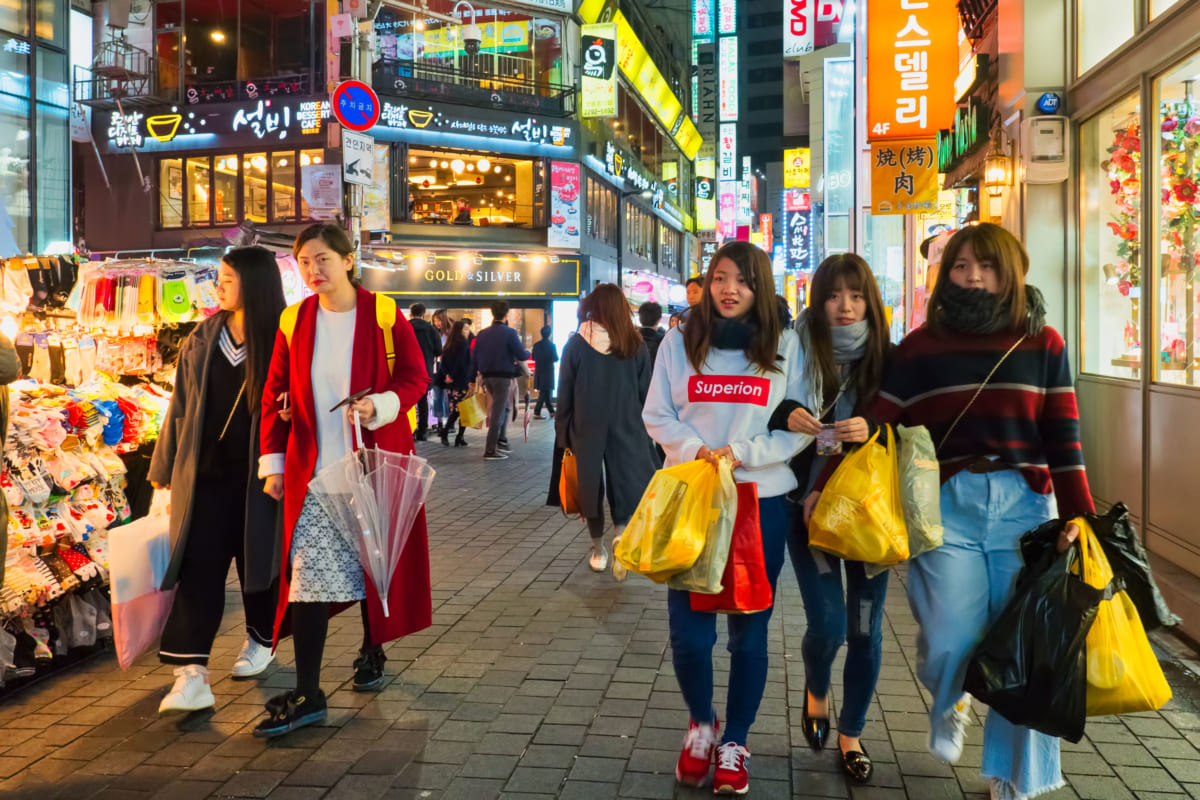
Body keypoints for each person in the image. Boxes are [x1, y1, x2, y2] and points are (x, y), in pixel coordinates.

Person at [807, 223, 1092, 800]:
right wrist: (826, 483)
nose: (973, 277)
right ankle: (951, 697)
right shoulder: (921, 346)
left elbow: (1064, 435)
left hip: (1025, 509)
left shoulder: (1043, 344)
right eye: (960, 267)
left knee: (1023, 650)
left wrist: (1079, 516)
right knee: (946, 637)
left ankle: (1016, 782)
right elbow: (879, 419)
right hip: (946, 506)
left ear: (1010, 270)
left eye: (985, 266)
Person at [255, 223, 433, 738]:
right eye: (305, 262)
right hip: (314, 472)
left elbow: (415, 377)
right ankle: (310, 692)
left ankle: (371, 649)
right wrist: (273, 465)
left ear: (349, 260)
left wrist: (378, 404)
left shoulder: (382, 313)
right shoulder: (295, 319)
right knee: (309, 580)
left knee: (374, 571)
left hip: (374, 464)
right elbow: (274, 393)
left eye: (323, 259)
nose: (314, 270)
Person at [643, 241, 805, 795]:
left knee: (748, 636)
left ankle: (735, 738)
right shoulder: (680, 340)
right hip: (693, 498)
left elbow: (796, 423)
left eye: (741, 280)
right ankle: (701, 724)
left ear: (760, 286)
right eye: (719, 278)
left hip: (761, 504)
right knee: (689, 637)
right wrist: (696, 453)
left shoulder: (786, 344)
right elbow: (656, 412)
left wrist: (741, 454)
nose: (728, 289)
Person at [767, 254, 892, 783]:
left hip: (867, 513)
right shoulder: (792, 349)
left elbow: (913, 424)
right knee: (827, 625)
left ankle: (852, 734)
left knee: (865, 630)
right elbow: (763, 409)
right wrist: (782, 413)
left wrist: (875, 428)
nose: (845, 307)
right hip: (808, 510)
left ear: (870, 302)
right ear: (816, 301)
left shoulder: (889, 359)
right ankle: (817, 688)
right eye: (833, 295)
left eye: (856, 296)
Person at [149, 246, 285, 713]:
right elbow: (179, 409)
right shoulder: (205, 336)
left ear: (254, 282)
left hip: (264, 479)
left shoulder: (286, 335)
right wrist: (162, 473)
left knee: (259, 565)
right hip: (203, 476)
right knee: (198, 570)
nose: (219, 286)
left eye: (227, 278)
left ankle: (261, 639)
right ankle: (190, 674)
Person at [557, 285, 659, 575]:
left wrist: (562, 433)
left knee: (590, 488)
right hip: (627, 423)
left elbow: (564, 393)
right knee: (623, 481)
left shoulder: (576, 344)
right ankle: (621, 535)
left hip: (585, 426)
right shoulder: (634, 344)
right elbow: (646, 393)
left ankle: (597, 550)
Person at [469, 300, 529, 461]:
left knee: (502, 408)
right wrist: (528, 352)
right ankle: (490, 449)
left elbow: (474, 359)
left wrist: (471, 379)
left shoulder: (482, 334)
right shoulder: (509, 333)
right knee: (498, 411)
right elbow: (521, 355)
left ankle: (501, 440)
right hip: (503, 377)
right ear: (506, 314)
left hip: (487, 376)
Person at [408, 303, 442, 441]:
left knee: (407, 401)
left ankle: (409, 430)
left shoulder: (405, 326)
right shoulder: (431, 329)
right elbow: (439, 351)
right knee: (423, 402)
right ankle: (422, 431)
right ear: (423, 314)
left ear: (411, 314)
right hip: (425, 370)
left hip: (407, 369)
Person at [437, 319, 473, 447]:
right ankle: (448, 433)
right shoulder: (463, 343)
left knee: (459, 409)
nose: (468, 332)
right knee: (461, 410)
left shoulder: (449, 344)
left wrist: (447, 375)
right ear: (460, 330)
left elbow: (443, 362)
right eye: (466, 329)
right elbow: (462, 363)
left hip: (451, 383)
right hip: (461, 380)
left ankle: (458, 436)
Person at [531, 326, 558, 419]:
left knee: (545, 392)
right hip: (548, 371)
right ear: (550, 334)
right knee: (544, 392)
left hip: (539, 371)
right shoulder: (551, 345)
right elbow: (556, 358)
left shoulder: (536, 345)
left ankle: (551, 411)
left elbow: (533, 357)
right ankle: (537, 411)